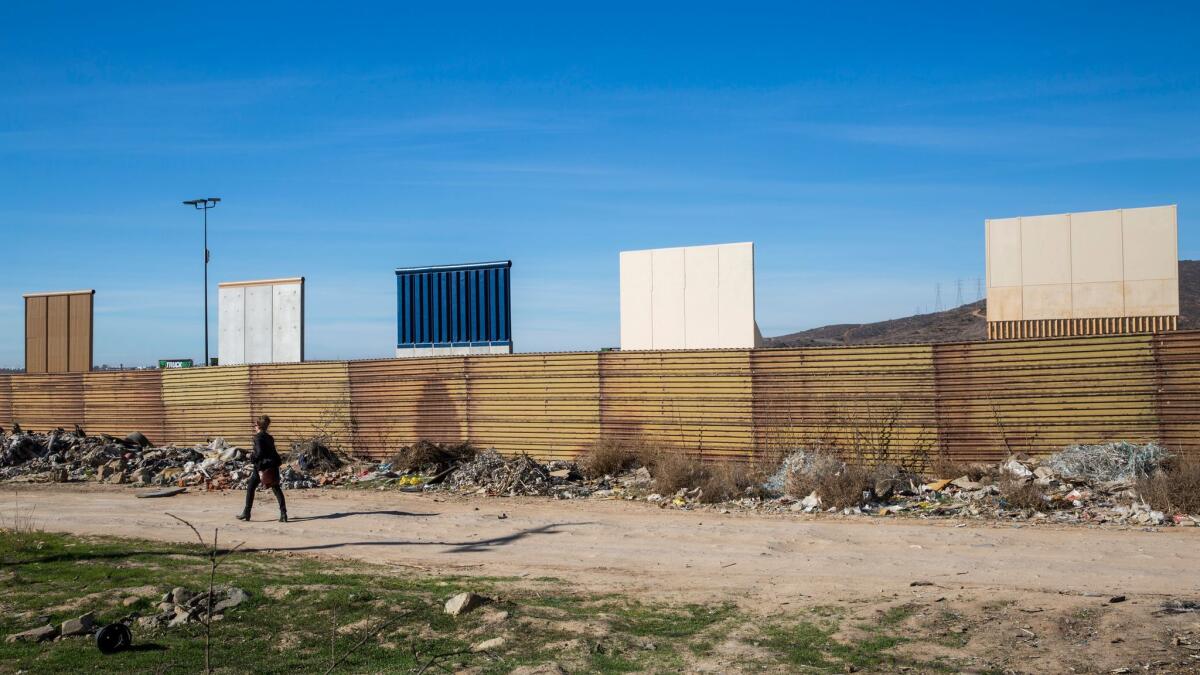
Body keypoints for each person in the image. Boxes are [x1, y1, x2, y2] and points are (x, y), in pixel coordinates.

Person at [237, 415, 287, 522]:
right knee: (276, 489)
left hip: (261, 467)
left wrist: (250, 456)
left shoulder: (258, 437)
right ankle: (284, 514)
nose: (254, 427)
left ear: (258, 426)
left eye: (255, 425)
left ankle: (247, 513)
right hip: (271, 466)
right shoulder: (269, 437)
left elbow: (259, 453)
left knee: (251, 488)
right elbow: (271, 452)